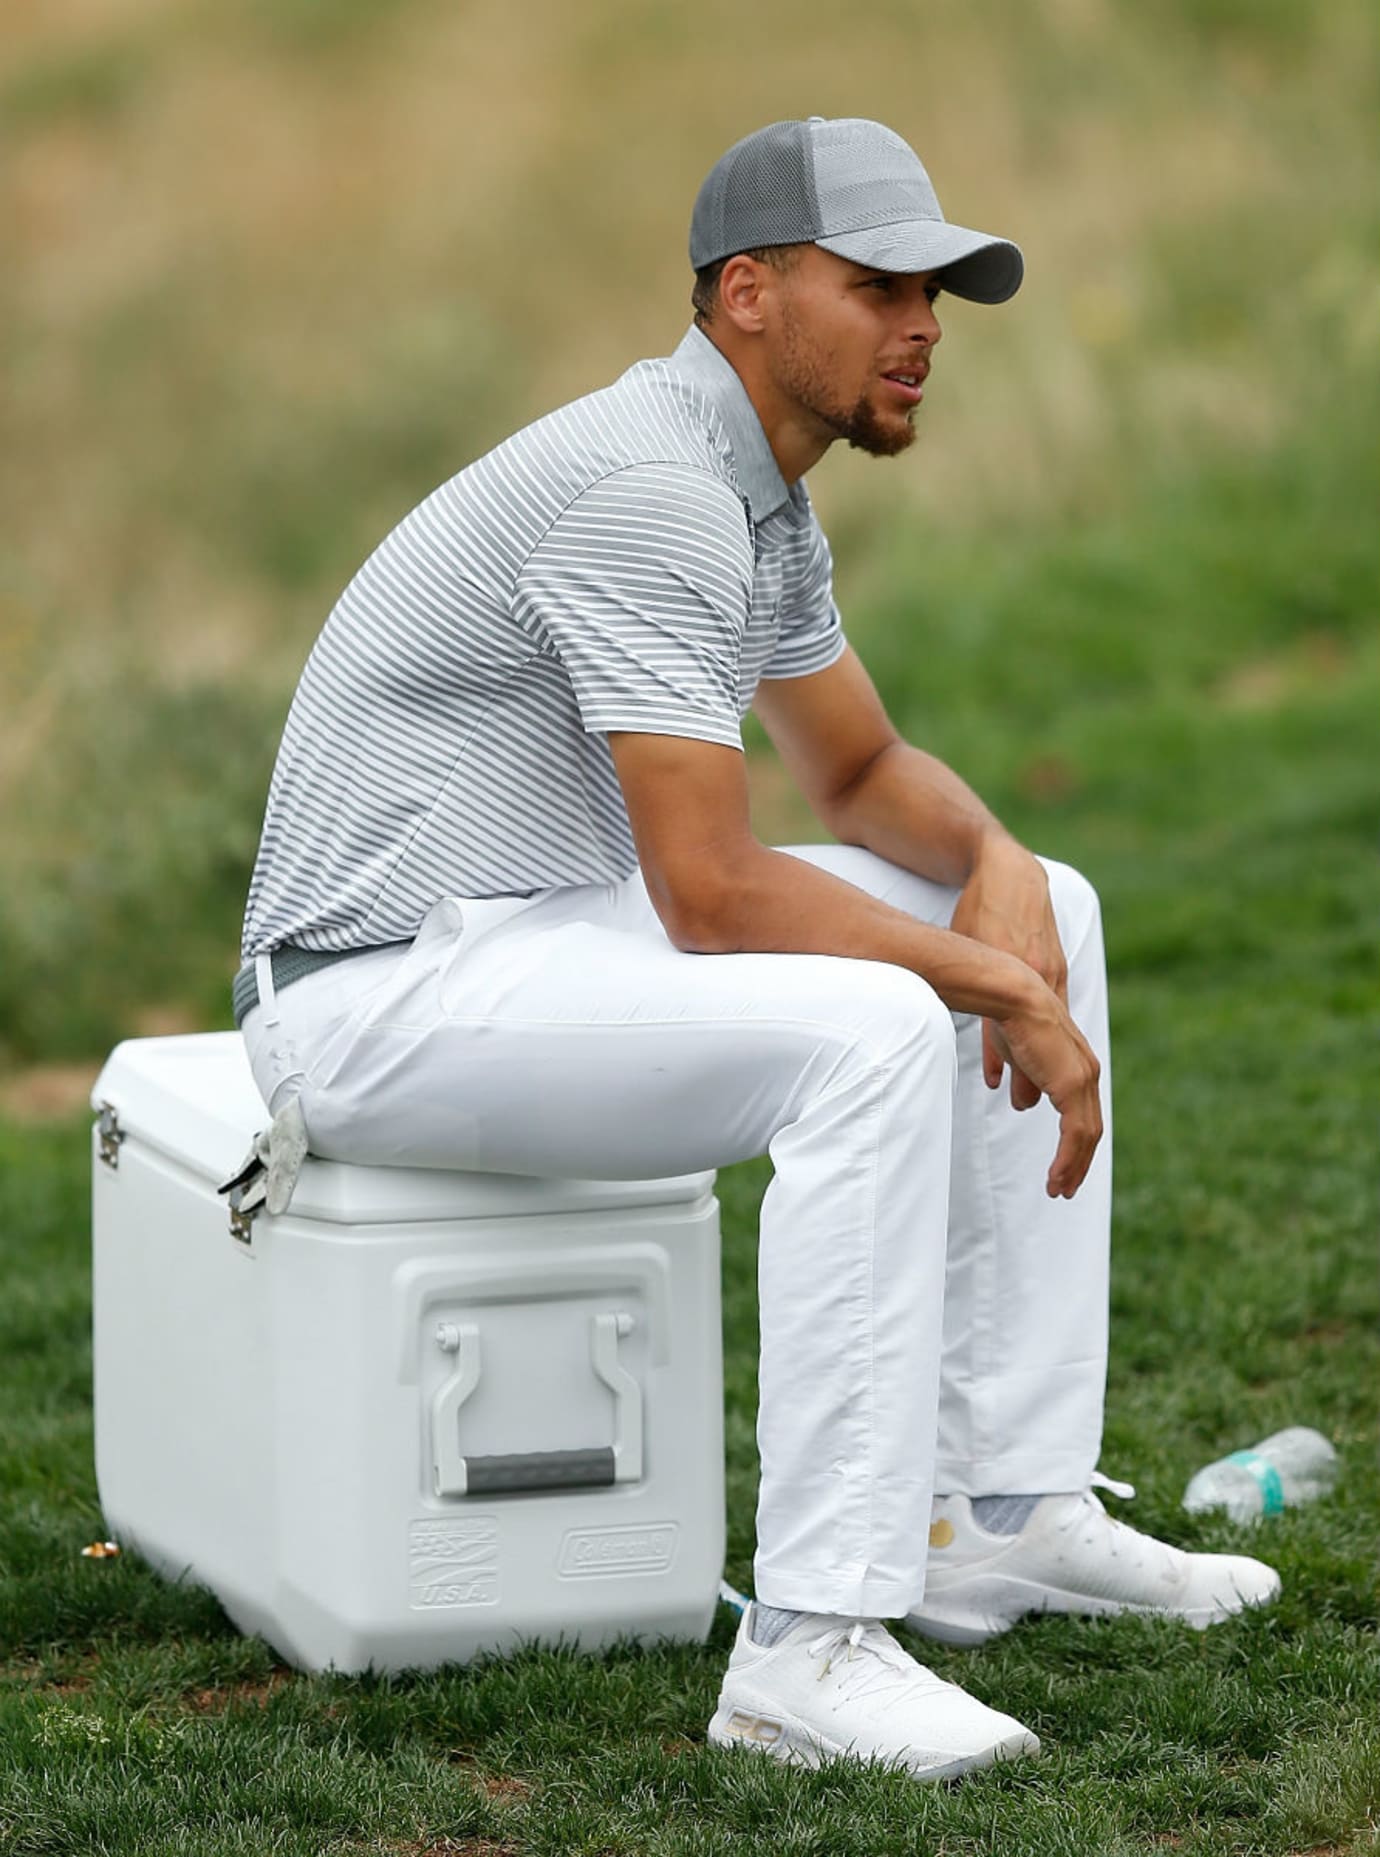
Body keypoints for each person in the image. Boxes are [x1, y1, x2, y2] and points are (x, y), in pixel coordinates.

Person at [233, 117, 1280, 1782]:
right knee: (878, 1027)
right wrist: (986, 983)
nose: (924, 323)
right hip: (376, 991)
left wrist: (1002, 874)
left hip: (538, 930)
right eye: (878, 286)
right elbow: (713, 890)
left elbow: (856, 776)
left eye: (936, 290)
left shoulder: (757, 493)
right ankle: (804, 1649)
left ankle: (993, 1509)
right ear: (748, 294)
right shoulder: (655, 485)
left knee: (1053, 900)